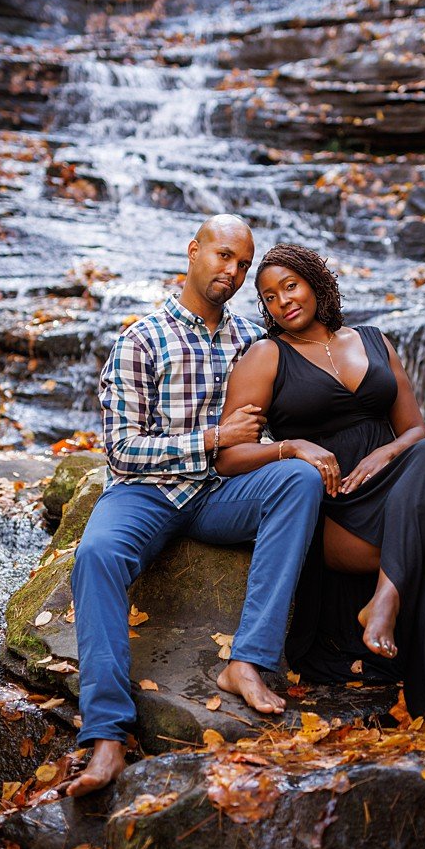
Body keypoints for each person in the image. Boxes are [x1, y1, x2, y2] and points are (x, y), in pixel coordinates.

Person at [65, 215, 324, 797]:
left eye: (242, 264)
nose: (231, 272)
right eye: (223, 256)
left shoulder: (250, 343)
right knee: (98, 554)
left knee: (299, 482)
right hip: (145, 493)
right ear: (193, 251)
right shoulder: (142, 340)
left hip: (220, 494)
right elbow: (123, 450)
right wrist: (213, 438)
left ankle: (248, 661)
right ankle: (106, 735)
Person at [215, 243, 425, 729]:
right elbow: (230, 456)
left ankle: (395, 612)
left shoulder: (375, 340)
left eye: (290, 286)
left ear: (315, 282)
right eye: (268, 297)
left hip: (396, 493)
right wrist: (293, 445)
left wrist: (386, 452)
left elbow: (416, 429)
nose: (282, 302)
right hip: (334, 508)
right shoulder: (266, 355)